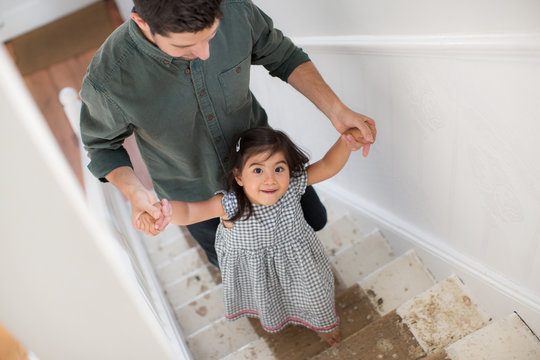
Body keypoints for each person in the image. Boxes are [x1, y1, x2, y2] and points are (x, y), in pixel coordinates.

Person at [79, 0, 376, 267]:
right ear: (142, 23)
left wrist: (336, 110)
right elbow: (103, 147)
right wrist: (136, 193)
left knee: (312, 222)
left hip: (269, 168)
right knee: (236, 264)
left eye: (211, 36)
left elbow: (282, 55)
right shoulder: (108, 80)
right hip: (196, 195)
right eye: (185, 47)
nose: (205, 53)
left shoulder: (235, 9)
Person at [140, 126, 363, 345]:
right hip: (256, 272)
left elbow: (327, 165)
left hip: (299, 266)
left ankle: (325, 326)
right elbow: (190, 212)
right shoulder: (229, 204)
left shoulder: (292, 186)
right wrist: (162, 212)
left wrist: (346, 143)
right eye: (258, 170)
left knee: (315, 298)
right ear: (238, 177)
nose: (270, 179)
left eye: (279, 169)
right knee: (271, 300)